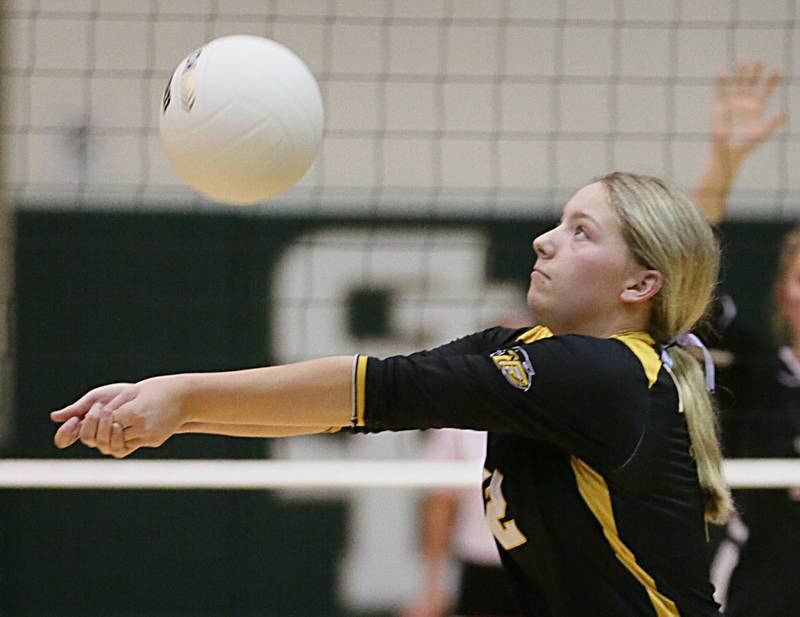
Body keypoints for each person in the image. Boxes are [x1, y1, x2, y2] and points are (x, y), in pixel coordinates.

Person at [51, 171, 731, 616]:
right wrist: (172, 404)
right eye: (559, 220)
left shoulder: (604, 376)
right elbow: (359, 395)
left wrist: (182, 400)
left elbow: (378, 391)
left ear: (641, 285)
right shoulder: (532, 355)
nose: (545, 241)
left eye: (581, 232)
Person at [692, 59, 797, 617]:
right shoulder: (754, 366)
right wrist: (722, 165)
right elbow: (688, 291)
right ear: (783, 292)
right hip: (758, 593)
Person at [402, 428, 519, 617]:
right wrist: (431, 588)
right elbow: (440, 501)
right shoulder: (456, 416)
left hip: (543, 567)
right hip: (482, 565)